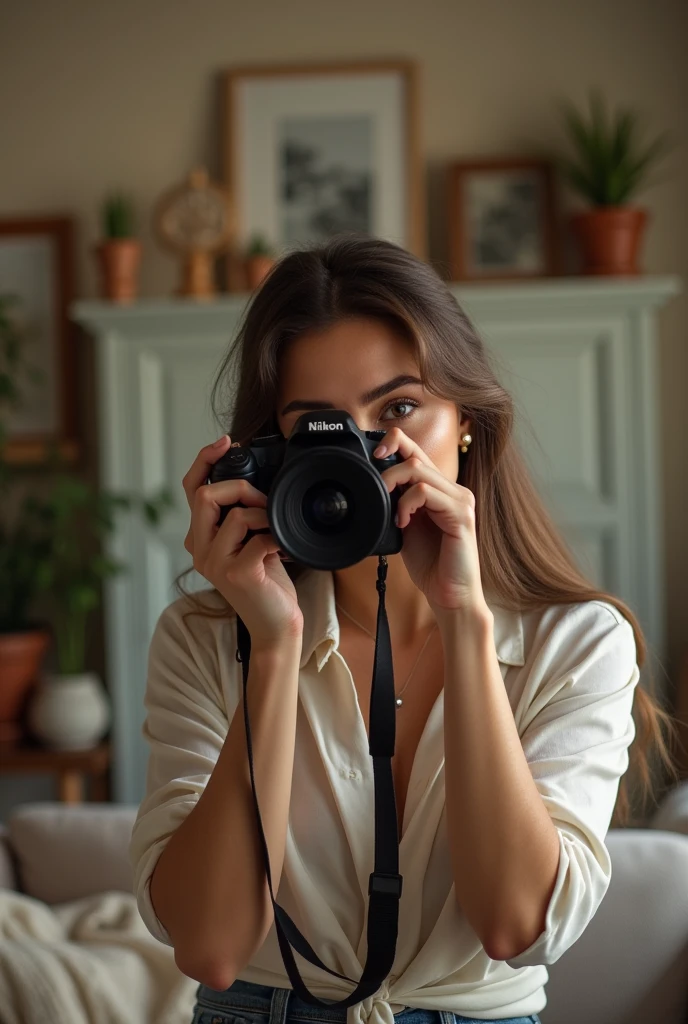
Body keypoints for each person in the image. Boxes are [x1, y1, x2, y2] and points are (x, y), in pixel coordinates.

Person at [129, 234, 678, 1024]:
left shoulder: (580, 642)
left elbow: (517, 926)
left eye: (399, 410)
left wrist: (465, 621)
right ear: (273, 456)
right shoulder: (204, 637)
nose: (365, 456)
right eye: (319, 427)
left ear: (464, 423)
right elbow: (212, 947)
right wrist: (273, 648)